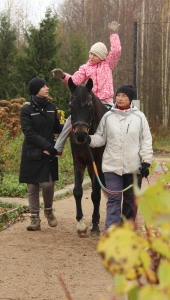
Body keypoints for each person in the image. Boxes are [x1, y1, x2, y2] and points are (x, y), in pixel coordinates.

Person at [88, 84, 153, 230]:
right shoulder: (108, 117)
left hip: (133, 167)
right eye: (118, 95)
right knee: (114, 199)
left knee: (131, 201)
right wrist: (89, 140)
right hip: (112, 166)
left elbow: (146, 140)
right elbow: (100, 138)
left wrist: (146, 162)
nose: (120, 98)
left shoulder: (139, 117)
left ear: (130, 98)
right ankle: (112, 232)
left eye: (124, 96)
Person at [51, 21, 121, 156]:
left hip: (106, 102)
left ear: (102, 56)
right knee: (70, 120)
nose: (91, 56)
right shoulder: (85, 67)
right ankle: (58, 146)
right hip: (89, 102)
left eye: (95, 55)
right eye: (90, 53)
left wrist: (113, 34)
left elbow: (116, 51)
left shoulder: (108, 65)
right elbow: (75, 80)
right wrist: (63, 76)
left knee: (117, 120)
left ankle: (119, 148)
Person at [19, 77, 63, 231]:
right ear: (36, 89)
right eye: (44, 86)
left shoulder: (51, 107)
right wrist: (47, 146)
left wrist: (72, 125)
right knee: (32, 187)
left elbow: (57, 128)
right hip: (32, 152)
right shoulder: (26, 109)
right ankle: (34, 218)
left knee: (48, 184)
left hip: (48, 153)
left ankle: (49, 210)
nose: (47, 88)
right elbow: (29, 133)